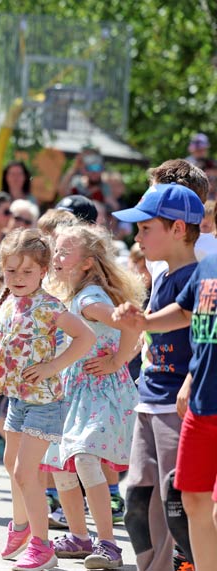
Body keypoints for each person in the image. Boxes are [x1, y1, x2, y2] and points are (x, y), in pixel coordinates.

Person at [0, 228, 95, 571]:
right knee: (10, 463)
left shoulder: (50, 306)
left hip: (45, 400)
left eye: (27, 271)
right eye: (11, 270)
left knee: (25, 472)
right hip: (18, 398)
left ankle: (42, 545)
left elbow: (85, 337)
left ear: (43, 271)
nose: (18, 278)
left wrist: (54, 366)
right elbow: (8, 338)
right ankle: (21, 527)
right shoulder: (8, 301)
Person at [110, 184, 203, 571]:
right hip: (148, 397)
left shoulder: (202, 278)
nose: (137, 236)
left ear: (178, 229)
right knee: (136, 495)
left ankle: (195, 562)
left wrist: (190, 380)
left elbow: (196, 329)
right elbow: (150, 334)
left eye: (146, 228)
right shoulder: (162, 277)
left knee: (175, 499)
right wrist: (132, 326)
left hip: (175, 405)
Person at [44, 223, 146, 568]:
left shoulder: (89, 299)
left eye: (65, 251)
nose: (57, 256)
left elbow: (133, 324)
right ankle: (78, 537)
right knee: (61, 463)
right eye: (56, 249)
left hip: (98, 391)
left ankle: (108, 544)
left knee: (85, 459)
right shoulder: (75, 295)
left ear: (87, 262)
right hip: (74, 390)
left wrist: (119, 359)